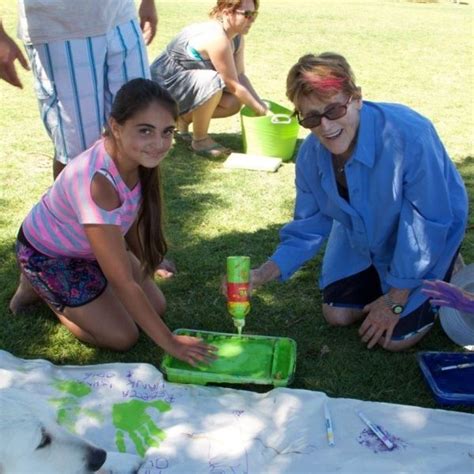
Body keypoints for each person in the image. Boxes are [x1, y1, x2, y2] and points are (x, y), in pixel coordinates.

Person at [247, 52, 468, 351]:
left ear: (357, 98)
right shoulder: (312, 155)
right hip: (363, 228)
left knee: (395, 340)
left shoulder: (411, 136)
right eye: (311, 117)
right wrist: (263, 273)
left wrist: (396, 299)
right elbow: (308, 226)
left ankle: (448, 262)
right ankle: (387, 270)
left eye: (334, 110)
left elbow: (426, 222)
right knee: (337, 315)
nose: (325, 126)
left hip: (426, 229)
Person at [9, 78, 215, 365]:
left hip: (91, 248)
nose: (159, 144)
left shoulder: (135, 157)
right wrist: (170, 343)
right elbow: (121, 280)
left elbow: (130, 219)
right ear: (116, 127)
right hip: (48, 255)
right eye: (145, 131)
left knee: (156, 306)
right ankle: (39, 287)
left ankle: (77, 291)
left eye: (167, 131)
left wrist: (148, 261)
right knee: (123, 337)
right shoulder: (97, 183)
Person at [0, 0, 158, 179]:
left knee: (143, 135)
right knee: (77, 154)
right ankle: (69, 207)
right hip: (59, 26)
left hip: (122, 17)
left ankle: (137, 207)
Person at [150, 0, 267, 158]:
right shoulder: (216, 37)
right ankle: (200, 140)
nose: (252, 20)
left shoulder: (236, 37)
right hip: (160, 91)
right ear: (226, 12)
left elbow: (240, 76)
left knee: (233, 102)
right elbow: (232, 84)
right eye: (247, 14)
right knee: (213, 81)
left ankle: (183, 119)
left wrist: (261, 106)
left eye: (254, 14)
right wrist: (261, 111)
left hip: (185, 88)